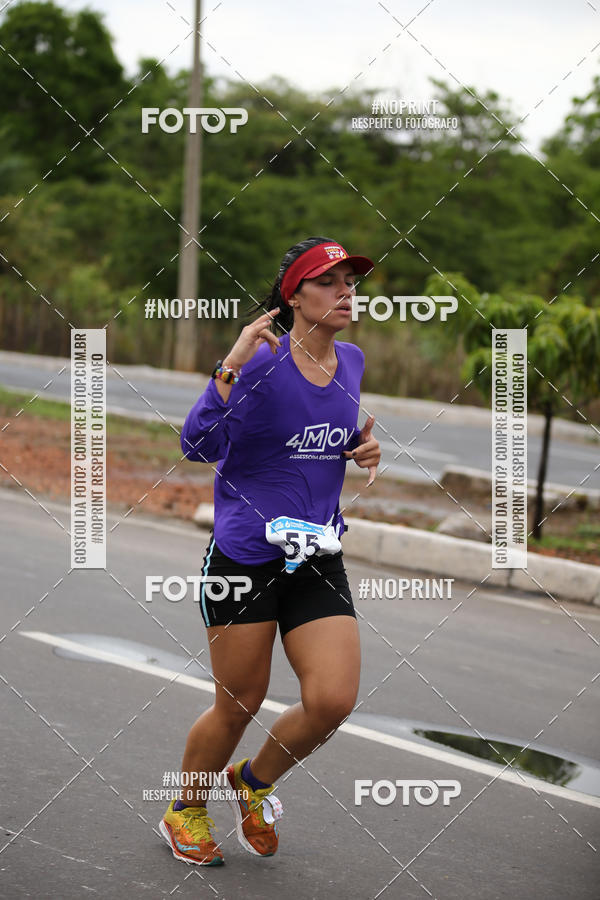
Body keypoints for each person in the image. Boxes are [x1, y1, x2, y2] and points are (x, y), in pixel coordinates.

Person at [159, 236, 381, 866]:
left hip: (315, 553)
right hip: (243, 558)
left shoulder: (354, 362)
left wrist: (360, 451)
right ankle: (186, 807)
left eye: (350, 282)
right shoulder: (258, 363)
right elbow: (198, 446)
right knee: (239, 703)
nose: (346, 293)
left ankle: (252, 782)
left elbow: (318, 442)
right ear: (295, 296)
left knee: (332, 700)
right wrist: (229, 364)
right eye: (329, 281)